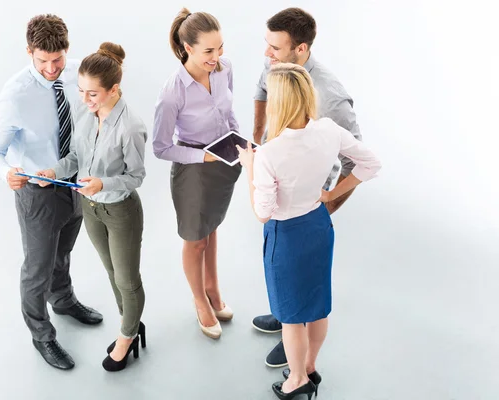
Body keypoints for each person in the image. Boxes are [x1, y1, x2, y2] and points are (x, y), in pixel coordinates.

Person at [237, 62, 381, 399]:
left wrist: (250, 167)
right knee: (316, 306)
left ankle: (297, 379)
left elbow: (262, 213)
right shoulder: (329, 129)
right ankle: (311, 366)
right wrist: (332, 193)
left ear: (279, 103)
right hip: (318, 226)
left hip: (285, 236)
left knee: (290, 318)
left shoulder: (269, 154)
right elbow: (371, 163)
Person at [0, 14, 102, 371]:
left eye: (58, 59)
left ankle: (63, 300)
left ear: (66, 49)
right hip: (36, 191)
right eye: (43, 61)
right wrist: (7, 174)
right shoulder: (14, 95)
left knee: (63, 251)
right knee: (37, 267)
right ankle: (42, 335)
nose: (52, 68)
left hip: (75, 183)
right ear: (29, 52)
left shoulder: (77, 73)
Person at [251, 7, 364, 369]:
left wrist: (327, 203)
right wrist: (258, 138)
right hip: (276, 184)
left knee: (299, 270)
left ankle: (294, 335)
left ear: (300, 50)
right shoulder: (276, 63)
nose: (266, 54)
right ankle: (286, 314)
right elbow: (260, 89)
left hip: (305, 206)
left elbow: (354, 160)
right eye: (266, 45)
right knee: (281, 269)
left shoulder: (330, 97)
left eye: (275, 48)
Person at [38, 42, 147, 372]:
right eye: (82, 91)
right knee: (113, 273)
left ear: (114, 89)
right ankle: (131, 323)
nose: (84, 100)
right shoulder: (85, 114)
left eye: (93, 94)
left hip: (120, 211)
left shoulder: (131, 127)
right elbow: (75, 158)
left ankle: (128, 334)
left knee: (128, 280)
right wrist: (53, 171)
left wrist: (104, 183)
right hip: (90, 207)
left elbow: (136, 176)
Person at [152, 8, 238, 339]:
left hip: (223, 163)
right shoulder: (173, 91)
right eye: (208, 51)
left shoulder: (224, 68)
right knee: (195, 240)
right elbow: (161, 148)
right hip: (193, 171)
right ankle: (200, 301)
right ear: (187, 47)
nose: (217, 57)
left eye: (220, 48)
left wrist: (237, 140)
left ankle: (214, 290)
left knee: (212, 229)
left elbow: (228, 113)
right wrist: (202, 157)